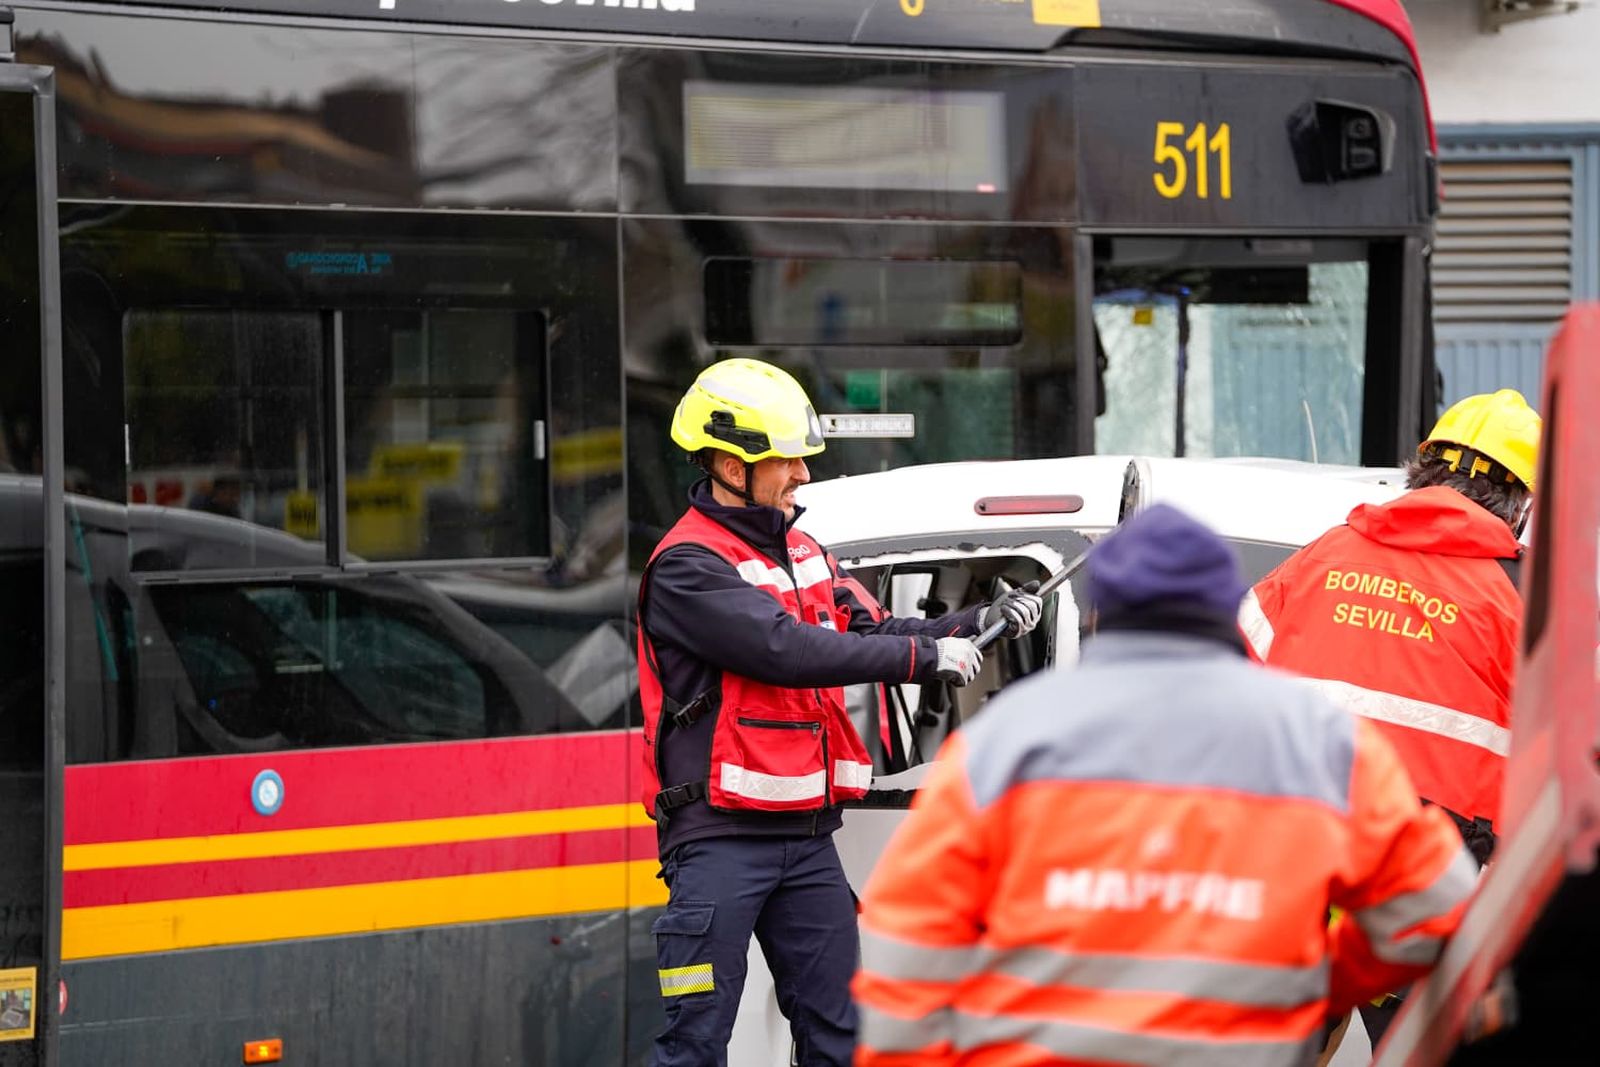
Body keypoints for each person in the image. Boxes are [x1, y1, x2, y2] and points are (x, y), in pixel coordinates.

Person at [853, 504, 1476, 1067]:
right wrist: (1321, 983)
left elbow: (909, 941)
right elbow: (1435, 903)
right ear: (1227, 611)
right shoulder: (1320, 743)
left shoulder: (1005, 744)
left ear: (1101, 615)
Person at [638, 357, 1042, 1067]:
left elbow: (875, 631)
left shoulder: (804, 551)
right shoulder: (687, 566)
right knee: (694, 1046)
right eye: (785, 461)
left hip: (805, 840)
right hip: (718, 841)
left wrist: (986, 618)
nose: (802, 476)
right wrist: (924, 662)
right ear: (731, 465)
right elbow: (785, 650)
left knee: (842, 1039)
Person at [1239, 388, 1539, 1049]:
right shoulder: (1510, 609)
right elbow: (1554, 768)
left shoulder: (1320, 560)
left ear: (1423, 468)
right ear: (1518, 506)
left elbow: (1222, 686)